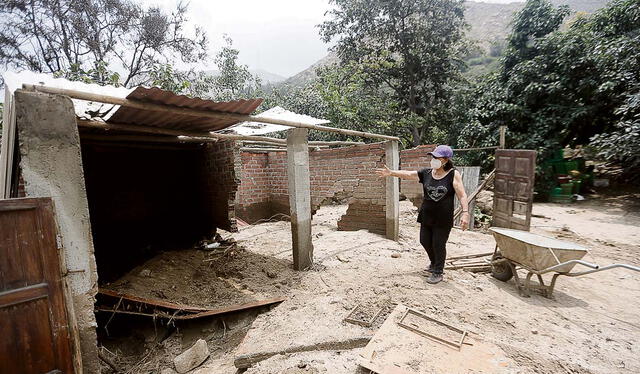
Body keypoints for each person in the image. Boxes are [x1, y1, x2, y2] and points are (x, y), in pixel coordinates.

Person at [375, 145, 470, 284]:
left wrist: (465, 213)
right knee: (424, 241)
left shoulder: (452, 174)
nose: (433, 160)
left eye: (437, 158)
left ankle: (438, 271)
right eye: (433, 157)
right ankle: (433, 263)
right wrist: (391, 173)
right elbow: (410, 174)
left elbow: (462, 195)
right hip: (427, 215)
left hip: (443, 218)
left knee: (438, 244)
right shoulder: (427, 173)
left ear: (445, 160)